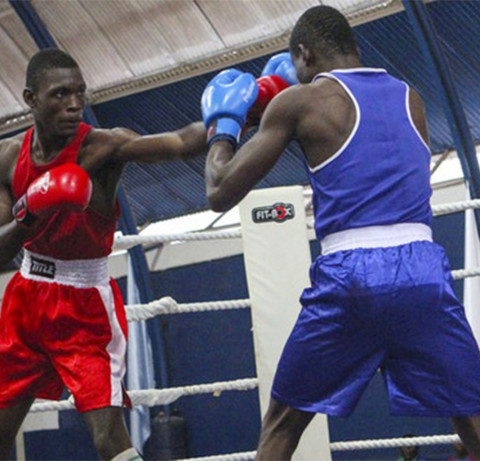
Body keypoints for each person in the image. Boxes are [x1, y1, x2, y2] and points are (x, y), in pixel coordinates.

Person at [200, 5, 480, 460]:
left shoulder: (300, 102)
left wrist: (224, 125)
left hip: (351, 278)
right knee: (470, 414)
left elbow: (219, 190)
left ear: (304, 54)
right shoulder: (411, 97)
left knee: (283, 424)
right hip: (423, 270)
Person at [0, 48, 206, 461]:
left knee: (108, 438)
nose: (75, 104)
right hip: (26, 295)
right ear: (29, 99)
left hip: (84, 303)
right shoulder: (7, 157)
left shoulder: (105, 147)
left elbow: (180, 143)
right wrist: (29, 210)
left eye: (79, 93)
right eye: (59, 94)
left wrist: (239, 111)